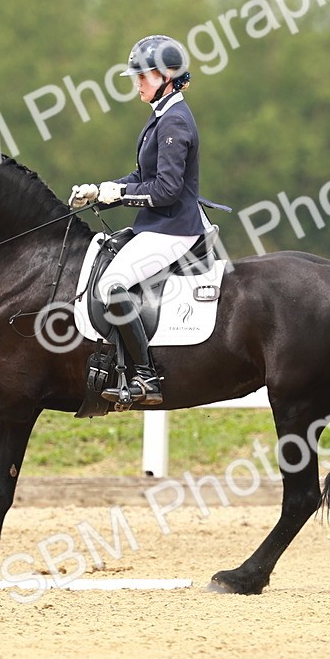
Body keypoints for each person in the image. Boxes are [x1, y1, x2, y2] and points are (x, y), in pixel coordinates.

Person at [71, 34, 206, 405]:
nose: (137, 84)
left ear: (166, 77)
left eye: (143, 76)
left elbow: (166, 190)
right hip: (158, 224)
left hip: (174, 228)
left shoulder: (175, 122)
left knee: (113, 283)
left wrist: (122, 195)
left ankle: (146, 378)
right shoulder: (161, 117)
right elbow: (141, 177)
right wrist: (102, 190)